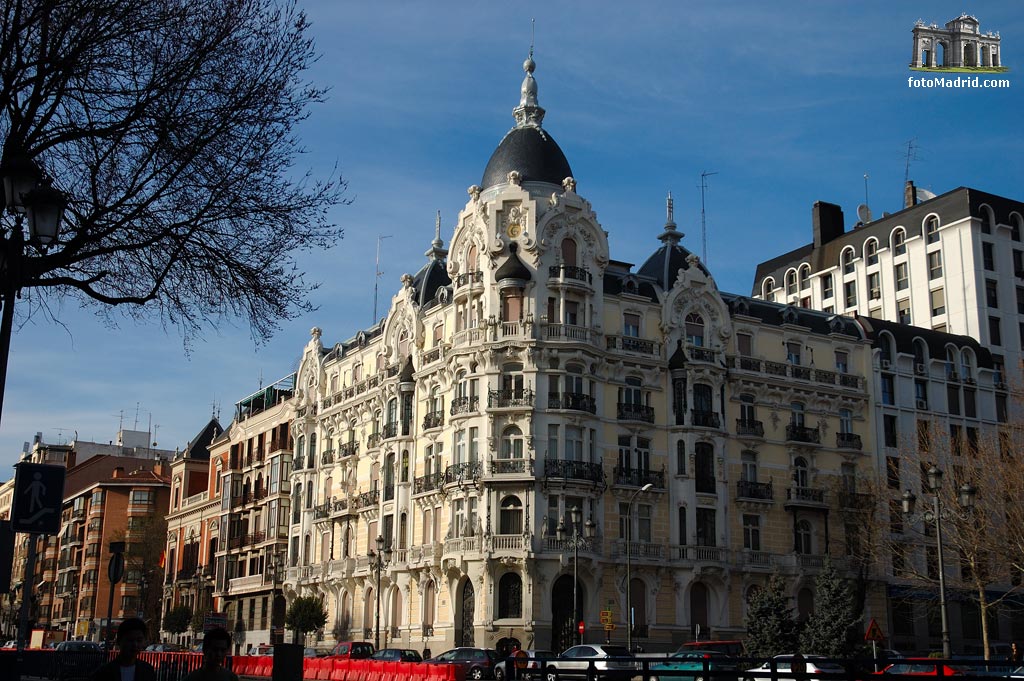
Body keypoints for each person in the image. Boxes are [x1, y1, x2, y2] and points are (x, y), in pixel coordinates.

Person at [91, 618, 157, 681]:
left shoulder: (147, 671)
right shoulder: (104, 673)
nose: (135, 644)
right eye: (130, 640)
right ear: (119, 641)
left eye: (139, 640)